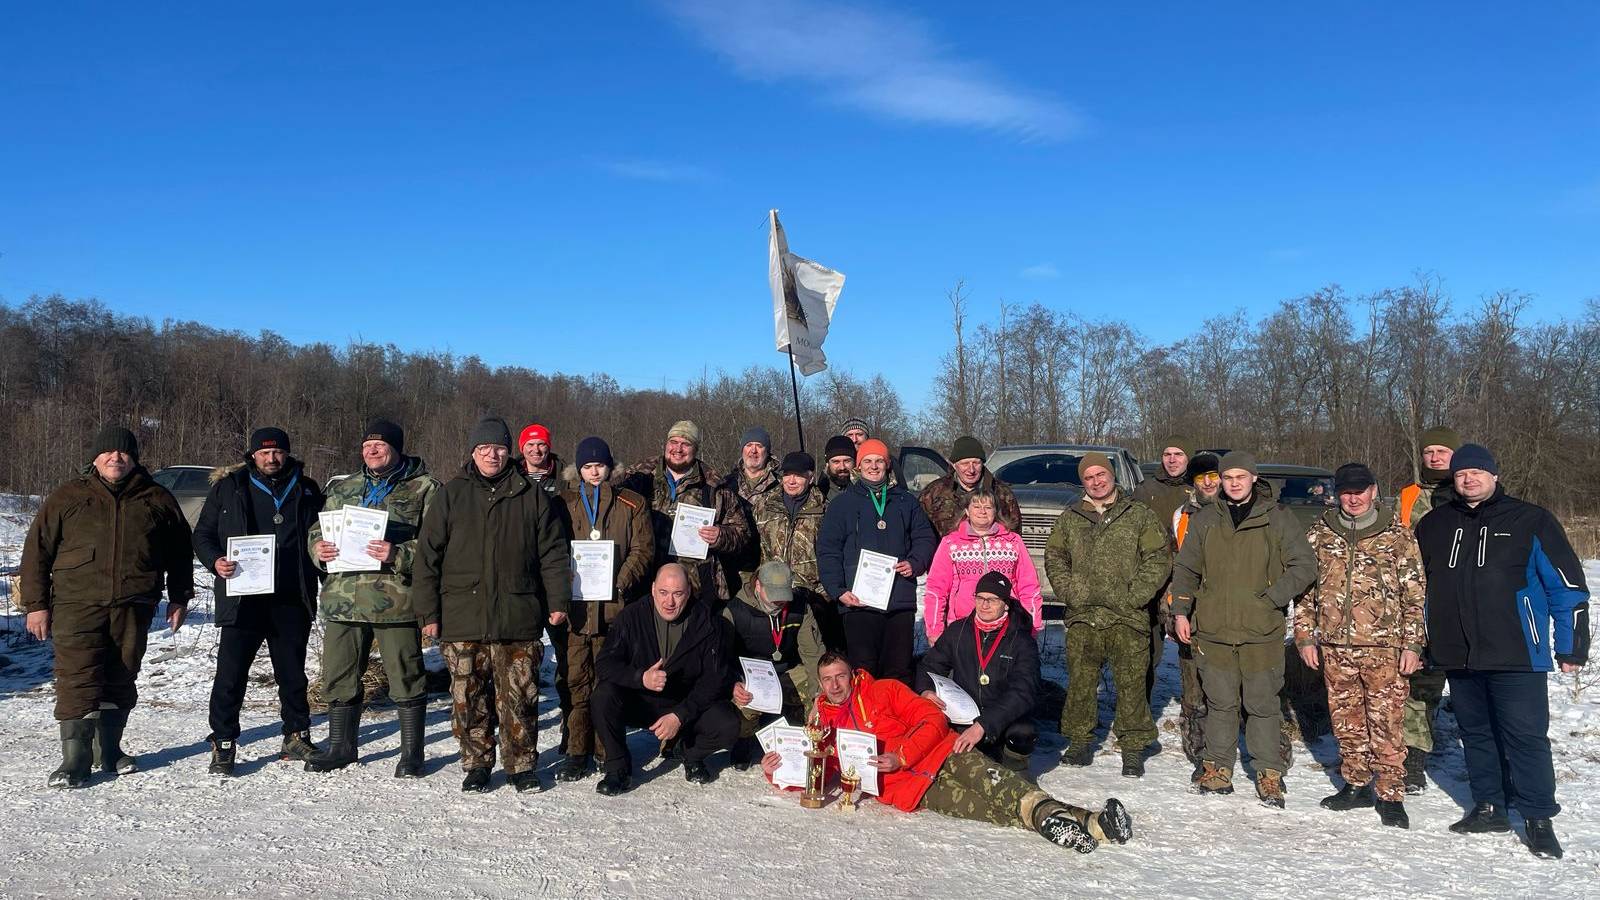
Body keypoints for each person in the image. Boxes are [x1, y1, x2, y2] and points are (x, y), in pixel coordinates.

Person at [760, 654, 1133, 854]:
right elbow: (818, 775)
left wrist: (901, 756)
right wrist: (776, 770)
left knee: (1002, 786)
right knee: (991, 811)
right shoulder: (821, 723)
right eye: (827, 679)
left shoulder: (884, 691)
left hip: (943, 754)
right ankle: (1092, 824)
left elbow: (932, 718)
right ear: (820, 684)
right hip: (914, 791)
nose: (835, 684)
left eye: (840, 675)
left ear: (853, 674)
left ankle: (1057, 816)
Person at [1415, 444, 1589, 860]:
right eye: (1461, 474)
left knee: (1525, 737)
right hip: (1458, 652)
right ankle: (1490, 806)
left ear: (1494, 475)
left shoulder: (1531, 520)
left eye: (1477, 472)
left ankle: (1538, 817)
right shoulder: (1435, 525)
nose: (1468, 479)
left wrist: (1572, 645)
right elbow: (1418, 590)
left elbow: (1567, 588)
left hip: (1516, 651)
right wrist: (1424, 642)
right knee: (1476, 734)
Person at [21, 425, 194, 788]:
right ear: (96, 457)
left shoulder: (156, 498)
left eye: (124, 452)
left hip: (134, 603)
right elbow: (37, 551)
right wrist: (36, 605)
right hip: (75, 604)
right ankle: (76, 760)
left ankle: (110, 750)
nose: (116, 458)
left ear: (134, 457)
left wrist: (180, 596)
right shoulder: (68, 496)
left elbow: (180, 552)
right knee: (77, 677)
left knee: (122, 674)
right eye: (109, 452)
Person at [414, 417, 572, 793]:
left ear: (509, 452)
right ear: (473, 452)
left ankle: (521, 765)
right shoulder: (452, 494)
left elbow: (552, 552)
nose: (492, 455)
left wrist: (558, 600)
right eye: (484, 448)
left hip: (518, 613)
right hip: (461, 615)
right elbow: (427, 557)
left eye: (499, 449)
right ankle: (477, 762)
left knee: (520, 696)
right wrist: (428, 613)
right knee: (468, 697)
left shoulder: (530, 494)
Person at [1170, 451, 1316, 807]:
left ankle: (1268, 773)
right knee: (1220, 703)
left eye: (1241, 476)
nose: (1234, 483)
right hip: (1214, 630)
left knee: (1263, 705)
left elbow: (1305, 565)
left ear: (1253, 478)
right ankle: (1217, 768)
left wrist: (1271, 598)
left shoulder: (1278, 518)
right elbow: (1186, 568)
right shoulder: (1206, 519)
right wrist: (1181, 611)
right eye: (1228, 477)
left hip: (1261, 630)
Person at [305, 418, 441, 775]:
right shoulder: (343, 487)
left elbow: (439, 544)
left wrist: (399, 554)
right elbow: (317, 529)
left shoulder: (424, 488)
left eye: (380, 445)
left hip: (395, 602)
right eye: (366, 446)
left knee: (406, 675)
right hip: (344, 600)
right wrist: (318, 549)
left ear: (397, 448)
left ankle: (412, 753)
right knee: (339, 675)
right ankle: (341, 746)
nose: (372, 450)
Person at [1295, 463, 1425, 828]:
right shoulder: (1321, 533)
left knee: (1386, 722)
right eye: (1346, 491)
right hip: (1335, 645)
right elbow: (1305, 591)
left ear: (1372, 490)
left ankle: (1390, 793)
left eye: (1360, 490)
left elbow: (1415, 594)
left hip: (1385, 646)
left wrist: (1412, 644)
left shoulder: (1397, 534)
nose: (1353, 498)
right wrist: (1305, 635)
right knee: (1346, 719)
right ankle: (1355, 782)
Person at [192, 427, 326, 776]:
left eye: (278, 452)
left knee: (292, 674)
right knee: (231, 674)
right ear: (252, 455)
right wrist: (216, 560)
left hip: (291, 596)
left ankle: (296, 734)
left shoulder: (307, 488)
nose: (271, 458)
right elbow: (203, 534)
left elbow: (325, 535)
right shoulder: (229, 487)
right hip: (243, 596)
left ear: (287, 454)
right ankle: (223, 741)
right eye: (264, 452)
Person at [1045, 452, 1171, 777]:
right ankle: (1079, 740)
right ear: (1082, 482)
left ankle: (1132, 746)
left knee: (1131, 683)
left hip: (1127, 616)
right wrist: (1071, 591)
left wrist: (1136, 596)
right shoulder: (1071, 517)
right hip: (1084, 615)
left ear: (1112, 476)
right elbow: (1055, 557)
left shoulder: (1137, 514)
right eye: (1089, 477)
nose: (1096, 481)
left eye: (1101, 474)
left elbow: (1158, 557)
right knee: (1081, 682)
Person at [553, 436, 654, 782]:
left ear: (611, 467)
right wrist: (563, 578)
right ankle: (576, 750)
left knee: (608, 684)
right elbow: (551, 549)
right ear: (578, 470)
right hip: (577, 611)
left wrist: (620, 582)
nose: (594, 472)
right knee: (576, 681)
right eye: (587, 466)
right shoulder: (563, 503)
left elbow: (642, 549)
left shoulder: (632, 503)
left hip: (615, 608)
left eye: (600, 465)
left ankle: (606, 748)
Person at [591, 564, 740, 795]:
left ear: (689, 592)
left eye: (677, 593)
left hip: (684, 704)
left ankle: (690, 754)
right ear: (653, 590)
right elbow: (605, 664)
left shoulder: (707, 623)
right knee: (603, 696)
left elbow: (714, 680)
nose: (669, 602)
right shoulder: (632, 616)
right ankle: (618, 768)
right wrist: (641, 677)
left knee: (727, 724)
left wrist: (680, 716)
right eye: (663, 592)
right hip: (640, 700)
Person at [815, 439, 937, 683]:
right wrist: (838, 590)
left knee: (899, 670)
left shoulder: (906, 501)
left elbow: (925, 538)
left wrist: (915, 562)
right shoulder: (842, 504)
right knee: (863, 671)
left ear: (888, 464)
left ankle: (894, 719)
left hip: (899, 600)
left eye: (879, 461)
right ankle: (864, 720)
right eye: (867, 461)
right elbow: (828, 550)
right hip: (858, 601)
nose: (873, 466)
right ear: (858, 467)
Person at [615, 420, 751, 605]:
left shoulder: (713, 485)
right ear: (666, 444)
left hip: (694, 588)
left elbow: (742, 534)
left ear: (695, 449)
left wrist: (721, 535)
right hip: (642, 580)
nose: (678, 449)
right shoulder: (638, 476)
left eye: (685, 444)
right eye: (674, 442)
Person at [916, 572, 1041, 772]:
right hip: (964, 714)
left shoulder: (1022, 640)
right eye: (980, 598)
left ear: (1006, 604)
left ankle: (1015, 771)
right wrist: (926, 691)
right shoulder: (958, 631)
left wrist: (984, 724)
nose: (984, 605)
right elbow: (929, 666)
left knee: (1023, 732)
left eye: (992, 599)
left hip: (1003, 718)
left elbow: (1023, 692)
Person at [1393, 425, 1460, 793]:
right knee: (1420, 684)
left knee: (1467, 686)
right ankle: (1413, 760)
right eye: (1429, 452)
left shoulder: (1468, 492)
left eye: (1442, 452)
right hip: (1416, 601)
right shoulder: (1408, 496)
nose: (1435, 458)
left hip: (1461, 604)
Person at [727, 560, 826, 763]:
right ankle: (744, 740)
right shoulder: (735, 611)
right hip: (749, 675)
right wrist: (733, 683)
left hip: (788, 670)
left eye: (783, 595)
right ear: (757, 586)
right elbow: (721, 657)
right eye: (773, 594)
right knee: (743, 707)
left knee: (822, 697)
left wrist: (818, 695)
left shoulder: (801, 608)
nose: (779, 602)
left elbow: (813, 653)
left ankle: (809, 744)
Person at [923, 487, 1043, 646]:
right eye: (976, 506)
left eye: (988, 507)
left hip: (1007, 625)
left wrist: (1032, 628)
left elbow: (1029, 587)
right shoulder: (951, 543)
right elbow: (936, 590)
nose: (982, 511)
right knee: (966, 670)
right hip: (964, 624)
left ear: (996, 511)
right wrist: (934, 630)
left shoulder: (1013, 542)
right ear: (967, 510)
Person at [1166, 452, 1221, 779]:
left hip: (1230, 612)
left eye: (1214, 475)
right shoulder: (1180, 516)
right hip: (1192, 612)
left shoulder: (1236, 510)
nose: (1210, 482)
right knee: (1194, 687)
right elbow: (1176, 567)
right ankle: (1201, 754)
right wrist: (1174, 610)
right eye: (1202, 478)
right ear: (1194, 483)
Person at [751, 451, 837, 651]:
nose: (791, 480)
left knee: (812, 649)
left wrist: (823, 595)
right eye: (787, 474)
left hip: (811, 595)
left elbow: (832, 554)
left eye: (798, 475)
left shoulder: (825, 509)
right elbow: (754, 547)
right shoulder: (764, 505)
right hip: (771, 592)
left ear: (810, 477)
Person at [1134, 436, 1195, 703]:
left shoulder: (1199, 488)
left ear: (1188, 458)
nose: (1172, 459)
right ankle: (1140, 707)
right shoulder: (1146, 489)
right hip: (1151, 576)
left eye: (1178, 454)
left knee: (1190, 644)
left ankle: (1195, 708)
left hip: (1186, 578)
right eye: (1167, 454)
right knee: (1148, 646)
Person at [918, 435, 1021, 536]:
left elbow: (1014, 534)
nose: (971, 470)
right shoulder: (933, 493)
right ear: (954, 465)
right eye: (965, 463)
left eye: (976, 463)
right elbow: (920, 533)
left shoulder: (1002, 493)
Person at [721, 426, 779, 599]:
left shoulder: (782, 486)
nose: (753, 450)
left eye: (759, 446)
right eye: (749, 445)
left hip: (766, 569)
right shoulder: (726, 484)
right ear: (742, 450)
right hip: (730, 568)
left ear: (767, 452)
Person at [518, 423, 567, 497]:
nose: (536, 450)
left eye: (541, 444)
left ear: (548, 447)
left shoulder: (564, 477)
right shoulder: (512, 476)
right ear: (522, 449)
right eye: (530, 445)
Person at [820, 435, 856, 500]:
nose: (842, 467)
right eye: (836, 462)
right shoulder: (819, 494)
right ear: (827, 464)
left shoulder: (866, 489)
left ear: (854, 461)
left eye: (847, 461)